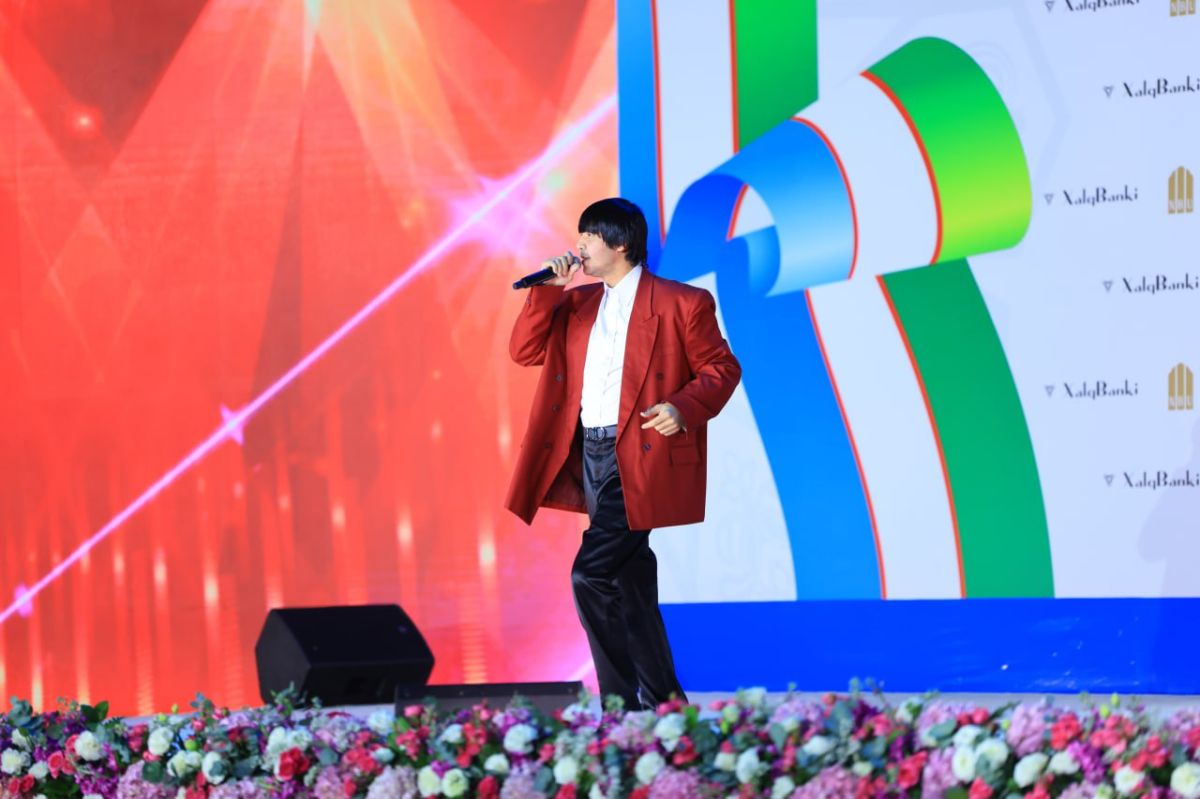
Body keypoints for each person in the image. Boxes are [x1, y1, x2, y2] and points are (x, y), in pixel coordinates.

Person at [505, 197, 742, 709]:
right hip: (590, 452)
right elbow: (523, 352)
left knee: (590, 574)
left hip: (642, 453)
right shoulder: (577, 303)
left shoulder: (681, 302)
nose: (579, 245)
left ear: (620, 244)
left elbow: (721, 368)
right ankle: (666, 704)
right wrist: (546, 293)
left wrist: (683, 407)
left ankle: (618, 704)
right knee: (629, 582)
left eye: (589, 236)